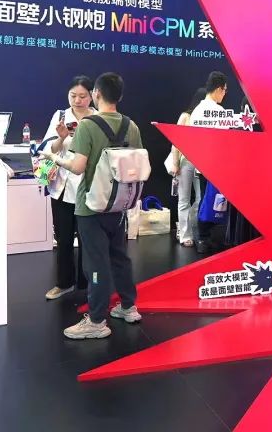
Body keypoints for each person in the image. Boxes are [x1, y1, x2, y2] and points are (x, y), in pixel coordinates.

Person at [41, 73, 142, 339]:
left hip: (91, 204)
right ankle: (128, 307)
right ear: (120, 95)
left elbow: (77, 167)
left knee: (95, 263)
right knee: (120, 257)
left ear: (96, 93)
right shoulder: (131, 125)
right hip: (118, 204)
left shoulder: (88, 125)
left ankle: (97, 320)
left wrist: (53, 157)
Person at [41, 76, 95, 300]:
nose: (77, 100)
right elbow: (48, 149)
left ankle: (87, 283)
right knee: (63, 238)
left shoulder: (97, 118)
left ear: (92, 96)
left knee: (87, 240)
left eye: (82, 96)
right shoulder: (60, 116)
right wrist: (60, 138)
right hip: (63, 186)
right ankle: (64, 283)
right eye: (73, 96)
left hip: (89, 187)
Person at [190, 72, 229, 253]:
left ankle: (202, 238)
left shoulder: (197, 111)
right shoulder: (219, 112)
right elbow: (226, 140)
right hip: (217, 165)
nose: (224, 94)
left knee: (205, 200)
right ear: (219, 89)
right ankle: (209, 237)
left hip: (201, 164)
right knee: (214, 201)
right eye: (225, 90)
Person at [167, 87, 206, 248]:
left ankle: (191, 228)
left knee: (200, 200)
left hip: (203, 163)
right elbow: (176, 141)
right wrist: (176, 163)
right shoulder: (186, 116)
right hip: (186, 161)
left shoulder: (209, 118)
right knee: (184, 199)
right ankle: (185, 234)